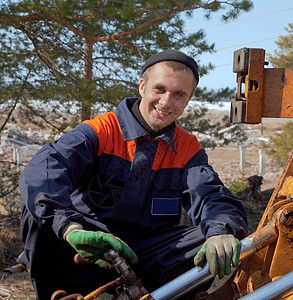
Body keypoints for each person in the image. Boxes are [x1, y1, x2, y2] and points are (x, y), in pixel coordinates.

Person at [19, 50, 248, 300]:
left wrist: (220, 229)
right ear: (142, 86)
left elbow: (212, 196)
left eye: (179, 95)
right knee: (38, 207)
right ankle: (60, 293)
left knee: (212, 237)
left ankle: (157, 295)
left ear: (188, 99)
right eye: (159, 89)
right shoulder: (101, 130)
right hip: (87, 249)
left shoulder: (187, 148)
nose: (166, 102)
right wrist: (70, 228)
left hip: (145, 258)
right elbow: (45, 169)